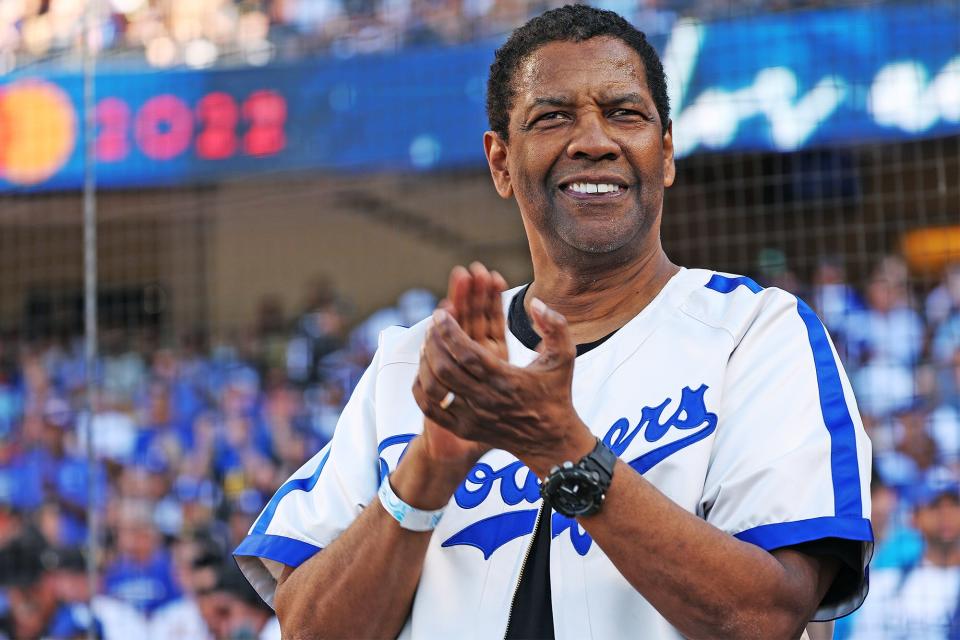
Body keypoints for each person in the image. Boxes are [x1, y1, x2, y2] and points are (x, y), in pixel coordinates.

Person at [235, 6, 873, 639]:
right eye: (552, 117)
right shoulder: (419, 362)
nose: (594, 140)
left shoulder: (756, 333)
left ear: (667, 152)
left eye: (625, 114)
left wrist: (561, 448)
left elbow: (766, 616)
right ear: (501, 163)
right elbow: (310, 629)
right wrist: (429, 466)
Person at [847, 472, 960, 639]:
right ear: (915, 517)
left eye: (954, 505)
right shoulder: (886, 584)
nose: (946, 514)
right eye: (935, 506)